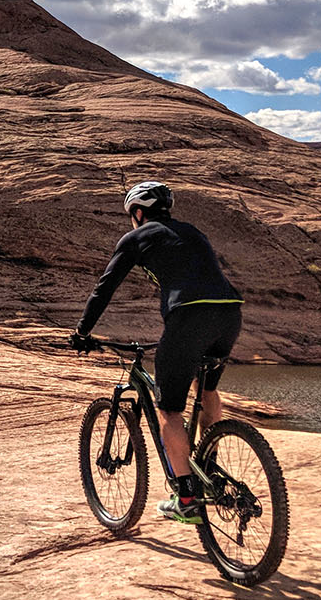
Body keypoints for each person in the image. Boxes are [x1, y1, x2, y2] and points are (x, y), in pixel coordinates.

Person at [70, 181, 243, 525]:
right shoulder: (192, 231)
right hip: (229, 314)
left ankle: (187, 498)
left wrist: (82, 332)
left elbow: (105, 286)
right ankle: (208, 459)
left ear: (137, 212)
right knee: (206, 389)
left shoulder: (137, 237)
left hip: (190, 317)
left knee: (169, 410)